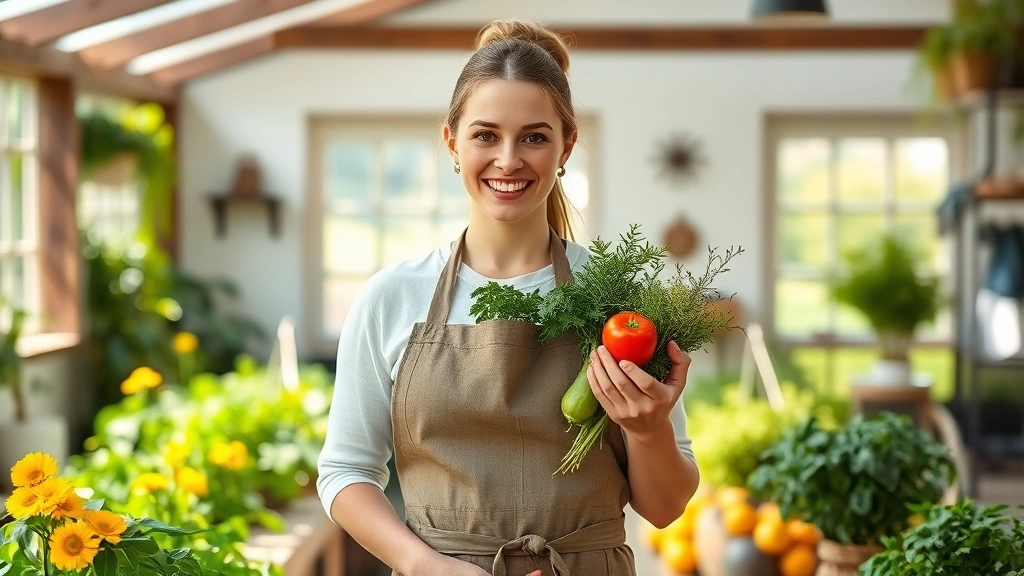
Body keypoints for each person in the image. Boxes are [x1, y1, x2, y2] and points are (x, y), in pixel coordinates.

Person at [316, 19, 700, 576]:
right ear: (452, 141)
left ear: (566, 145)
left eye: (535, 137)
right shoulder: (392, 298)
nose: (508, 159)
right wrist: (424, 566)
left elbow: (665, 508)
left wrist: (649, 430)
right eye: (485, 135)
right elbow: (346, 472)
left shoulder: (621, 306)